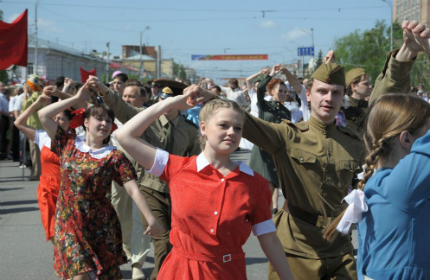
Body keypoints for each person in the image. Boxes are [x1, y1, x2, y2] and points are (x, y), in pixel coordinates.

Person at [194, 53, 366, 279]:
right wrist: (210, 98)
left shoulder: (354, 142)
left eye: (336, 92)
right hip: (297, 245)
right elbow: (248, 123)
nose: (329, 98)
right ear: (308, 94)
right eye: (322, 91)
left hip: (339, 246)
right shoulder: (288, 135)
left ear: (343, 96)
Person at [114, 91, 295, 280]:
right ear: (203, 128)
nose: (232, 132)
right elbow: (124, 135)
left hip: (228, 273)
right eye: (223, 125)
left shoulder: (255, 184)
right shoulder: (178, 168)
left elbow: (270, 239)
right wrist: (170, 103)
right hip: (180, 271)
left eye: (238, 128)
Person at [37, 84, 164, 280]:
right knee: (79, 274)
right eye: (99, 118)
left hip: (100, 224)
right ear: (86, 122)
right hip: (68, 222)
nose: (104, 123)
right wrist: (75, 97)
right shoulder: (67, 144)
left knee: (103, 276)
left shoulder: (114, 156)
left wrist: (151, 219)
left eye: (108, 120)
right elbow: (43, 115)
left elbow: (133, 190)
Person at [88, 77, 201, 280]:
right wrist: (105, 90)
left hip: (177, 191)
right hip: (150, 188)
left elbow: (195, 162)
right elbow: (120, 107)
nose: (164, 104)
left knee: (177, 242)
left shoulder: (190, 131)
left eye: (170, 100)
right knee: (162, 241)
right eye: (161, 100)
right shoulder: (145, 118)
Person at [14, 92, 73, 244]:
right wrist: (37, 102)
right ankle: (61, 258)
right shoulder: (43, 136)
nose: (56, 121)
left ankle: (66, 259)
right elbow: (18, 123)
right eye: (54, 118)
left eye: (60, 118)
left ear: (69, 122)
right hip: (47, 188)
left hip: (68, 188)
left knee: (70, 227)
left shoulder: (76, 140)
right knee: (51, 227)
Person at [249, 64, 291, 215]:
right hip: (262, 148)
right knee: (264, 179)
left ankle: (272, 207)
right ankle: (265, 207)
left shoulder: (286, 112)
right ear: (272, 91)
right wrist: (271, 75)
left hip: (277, 149)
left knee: (273, 179)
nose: (282, 94)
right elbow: (260, 88)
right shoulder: (264, 106)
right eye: (280, 91)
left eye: (285, 92)